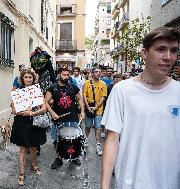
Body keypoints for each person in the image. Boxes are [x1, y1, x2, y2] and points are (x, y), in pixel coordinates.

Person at [101, 26, 180, 189]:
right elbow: (112, 140)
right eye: (161, 49)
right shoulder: (122, 90)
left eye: (173, 51)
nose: (168, 57)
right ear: (144, 53)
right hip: (130, 183)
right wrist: (104, 186)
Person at [10, 69, 47, 186]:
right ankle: (21, 173)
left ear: (33, 78)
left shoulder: (37, 91)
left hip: (34, 122)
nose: (28, 79)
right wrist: (23, 112)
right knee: (23, 148)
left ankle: (34, 164)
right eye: (26, 77)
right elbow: (13, 110)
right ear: (22, 79)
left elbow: (44, 108)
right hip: (21, 123)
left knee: (34, 146)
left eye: (30, 77)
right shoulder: (17, 92)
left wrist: (32, 113)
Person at [45, 67, 85, 169]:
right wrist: (52, 113)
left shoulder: (73, 87)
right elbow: (45, 102)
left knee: (74, 138)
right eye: (64, 75)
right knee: (58, 140)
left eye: (68, 75)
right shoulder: (52, 88)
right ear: (59, 75)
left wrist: (82, 111)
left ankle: (74, 157)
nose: (66, 77)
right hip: (58, 119)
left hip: (72, 117)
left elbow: (80, 99)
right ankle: (59, 159)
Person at [83, 67, 107, 156]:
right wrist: (88, 107)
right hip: (89, 108)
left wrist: (96, 107)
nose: (98, 73)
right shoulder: (86, 83)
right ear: (92, 73)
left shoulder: (103, 84)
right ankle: (85, 139)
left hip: (99, 109)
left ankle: (98, 145)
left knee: (98, 128)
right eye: (96, 72)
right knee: (88, 126)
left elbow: (103, 97)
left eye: (100, 72)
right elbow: (84, 95)